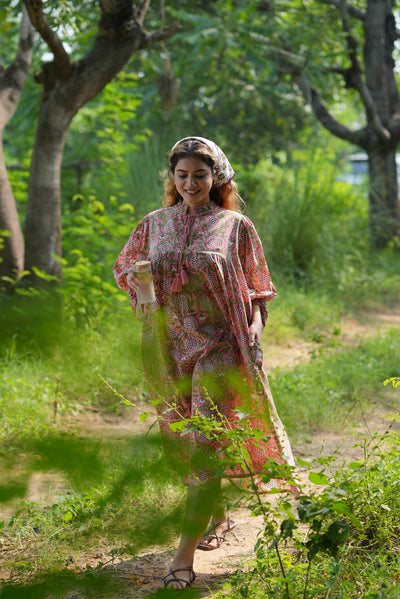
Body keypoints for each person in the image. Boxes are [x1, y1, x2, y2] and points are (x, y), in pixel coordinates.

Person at [113, 136, 296, 590]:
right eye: (182, 175)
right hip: (169, 345)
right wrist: (143, 286)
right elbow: (124, 269)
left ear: (216, 178)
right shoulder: (154, 224)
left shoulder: (235, 225)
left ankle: (182, 558)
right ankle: (217, 514)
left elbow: (257, 287)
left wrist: (255, 329)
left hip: (220, 341)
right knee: (182, 433)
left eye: (200, 174)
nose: (190, 182)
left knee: (206, 442)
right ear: (172, 179)